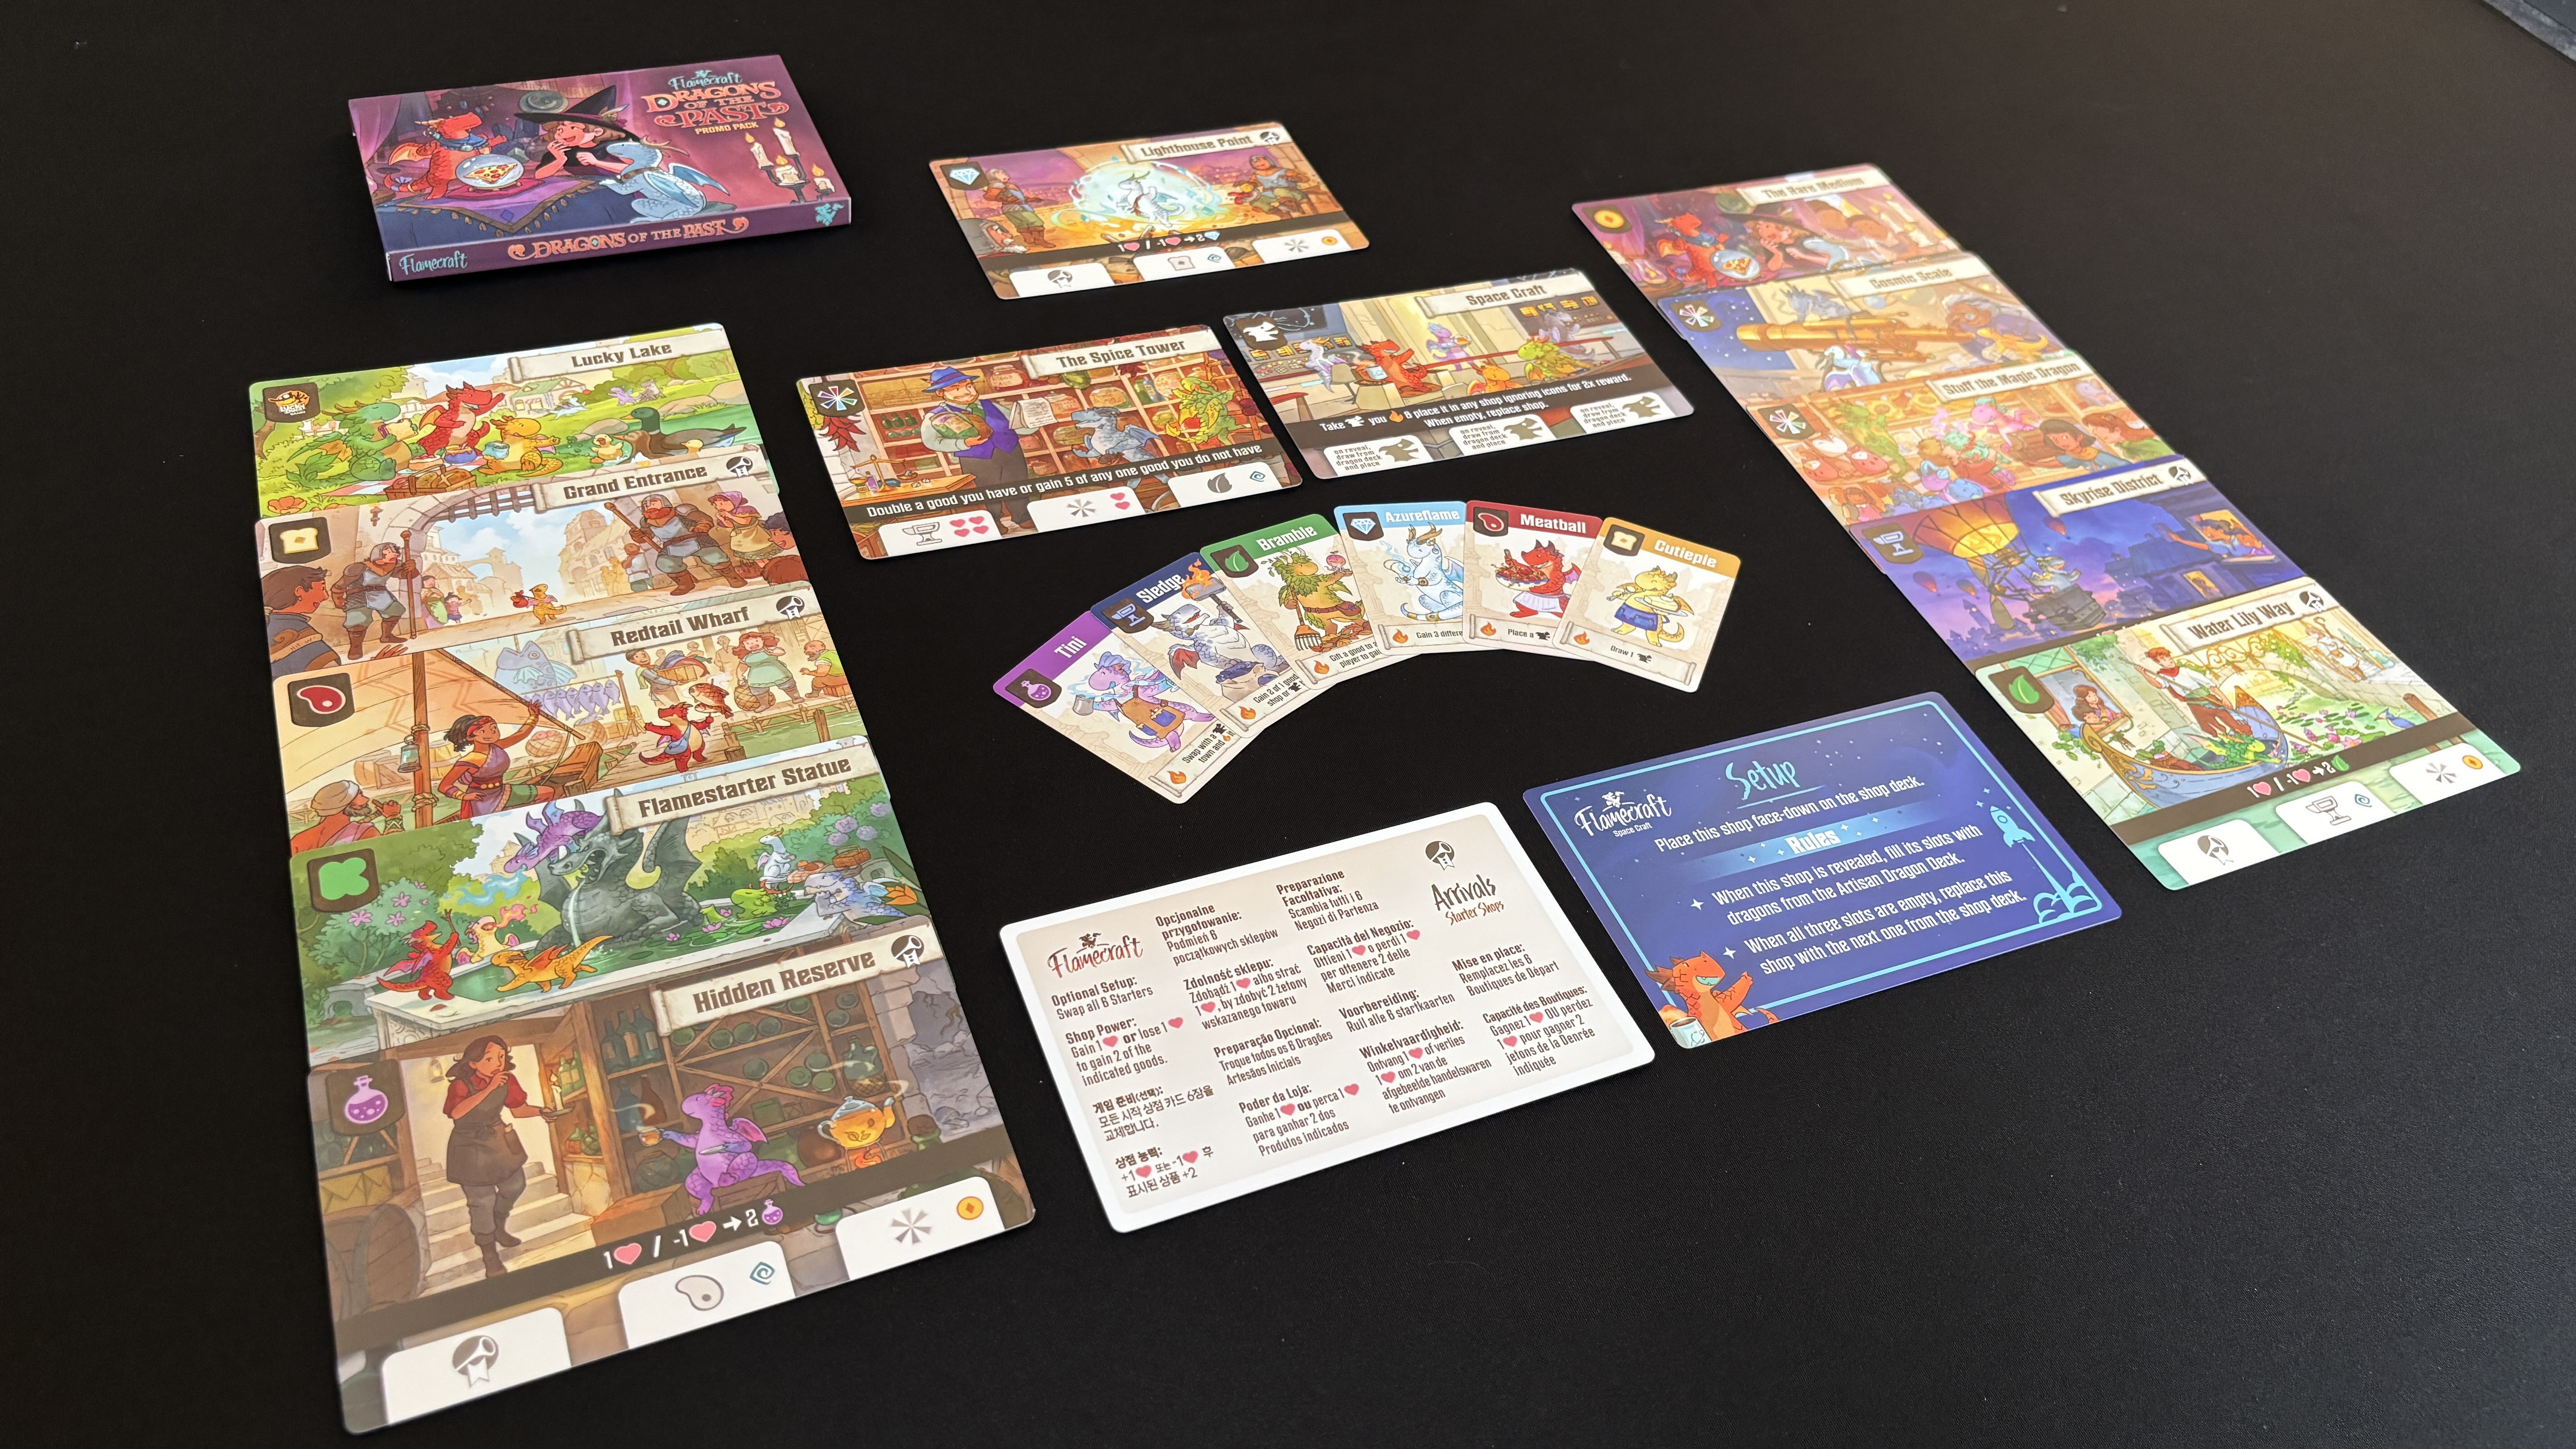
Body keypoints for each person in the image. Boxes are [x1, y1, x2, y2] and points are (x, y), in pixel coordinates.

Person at [441, 1037, 556, 1279]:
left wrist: (541, 1112)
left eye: (502, 1057)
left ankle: (499, 1226)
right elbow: (457, 1113)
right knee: (482, 1202)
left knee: (516, 1185)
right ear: (473, 1063)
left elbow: (518, 1110)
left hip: (499, 1140)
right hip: (469, 1148)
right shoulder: (460, 1085)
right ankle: (490, 1256)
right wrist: (490, 1088)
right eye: (490, 1059)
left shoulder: (507, 1080)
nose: (498, 1063)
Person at [915, 366, 1035, 506]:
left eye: (970, 386)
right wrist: (964, 443)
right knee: (986, 495)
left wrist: (1034, 424)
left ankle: (1022, 515)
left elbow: (1017, 424)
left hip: (1011, 453)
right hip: (976, 459)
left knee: (1019, 490)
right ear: (941, 393)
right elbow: (932, 442)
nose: (968, 392)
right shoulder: (936, 416)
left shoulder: (992, 405)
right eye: (957, 389)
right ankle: (994, 517)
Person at [438, 706, 550, 818]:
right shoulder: (468, 761)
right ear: (470, 738)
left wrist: (534, 716)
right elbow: (444, 786)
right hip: (481, 800)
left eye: (494, 728)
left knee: (548, 792)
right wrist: (464, 796)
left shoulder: (497, 746)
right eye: (483, 731)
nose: (492, 733)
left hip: (503, 791)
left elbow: (521, 734)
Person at [263, 565, 345, 677]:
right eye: (322, 589)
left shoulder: (270, 623)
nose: (325, 596)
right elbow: (334, 676)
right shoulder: (299, 633)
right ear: (300, 591)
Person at [291, 779, 394, 851]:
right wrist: (393, 817)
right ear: (349, 802)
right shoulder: (366, 832)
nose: (367, 800)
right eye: (361, 795)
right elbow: (390, 857)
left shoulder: (299, 841)